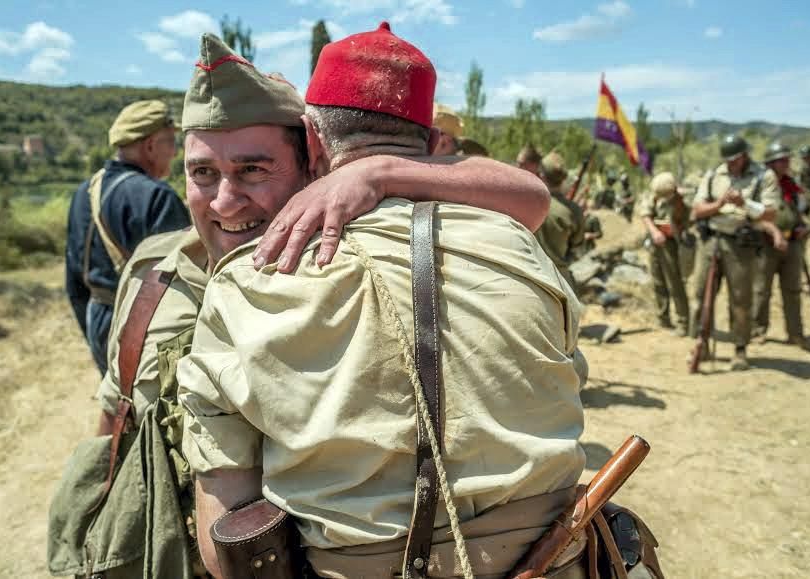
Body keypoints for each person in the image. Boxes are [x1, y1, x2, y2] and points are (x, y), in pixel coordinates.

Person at [52, 33, 554, 579]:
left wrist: (374, 172)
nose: (223, 201)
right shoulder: (153, 277)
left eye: (253, 170)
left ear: (312, 160)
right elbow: (115, 422)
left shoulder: (353, 263)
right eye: (201, 174)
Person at [178, 23, 589, 579]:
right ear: (433, 142)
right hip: (553, 557)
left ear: (313, 142)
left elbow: (224, 531)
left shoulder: (247, 282)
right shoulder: (517, 241)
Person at [65, 99, 189, 374]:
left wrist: (93, 331)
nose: (174, 151)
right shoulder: (158, 196)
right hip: (145, 325)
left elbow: (74, 281)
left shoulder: (83, 193)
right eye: (170, 141)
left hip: (98, 318)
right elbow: (183, 284)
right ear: (150, 145)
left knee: (117, 408)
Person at [689, 134, 785, 371]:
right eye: (727, 160)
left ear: (743, 156)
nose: (729, 164)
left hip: (741, 244)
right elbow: (698, 209)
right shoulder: (714, 175)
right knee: (701, 294)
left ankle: (740, 347)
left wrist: (745, 204)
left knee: (741, 299)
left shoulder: (764, 176)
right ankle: (701, 341)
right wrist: (720, 204)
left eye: (734, 160)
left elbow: (771, 214)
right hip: (711, 240)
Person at [751, 142, 810, 350]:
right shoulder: (758, 186)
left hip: (793, 243)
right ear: (770, 163)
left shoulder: (794, 186)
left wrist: (807, 227)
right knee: (761, 290)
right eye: (781, 160)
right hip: (765, 244)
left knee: (793, 290)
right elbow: (754, 215)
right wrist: (771, 231)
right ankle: (757, 330)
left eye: (787, 159)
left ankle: (795, 333)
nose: (786, 163)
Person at [640, 171, 689, 336]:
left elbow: (687, 221)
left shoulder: (683, 200)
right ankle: (663, 318)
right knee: (658, 281)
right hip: (656, 242)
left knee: (675, 283)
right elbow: (645, 213)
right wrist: (654, 231)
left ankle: (683, 322)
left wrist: (674, 228)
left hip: (673, 245)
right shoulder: (655, 193)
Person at [533, 151, 585, 286]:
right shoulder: (573, 211)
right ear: (563, 178)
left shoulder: (527, 201)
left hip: (529, 271)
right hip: (558, 279)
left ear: (542, 175)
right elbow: (577, 244)